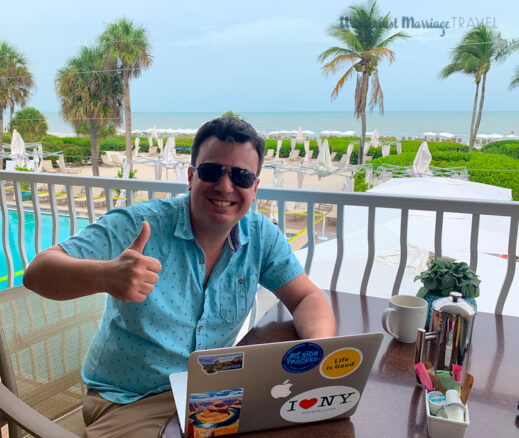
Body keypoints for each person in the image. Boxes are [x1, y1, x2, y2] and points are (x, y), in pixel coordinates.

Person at [23, 117, 335, 437]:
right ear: (191, 176)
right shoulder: (140, 224)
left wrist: (316, 357)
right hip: (132, 399)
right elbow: (38, 272)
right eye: (212, 171)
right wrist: (107, 275)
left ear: (254, 188)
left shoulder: (262, 238)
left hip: (209, 392)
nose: (225, 186)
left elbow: (307, 298)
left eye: (241, 176)